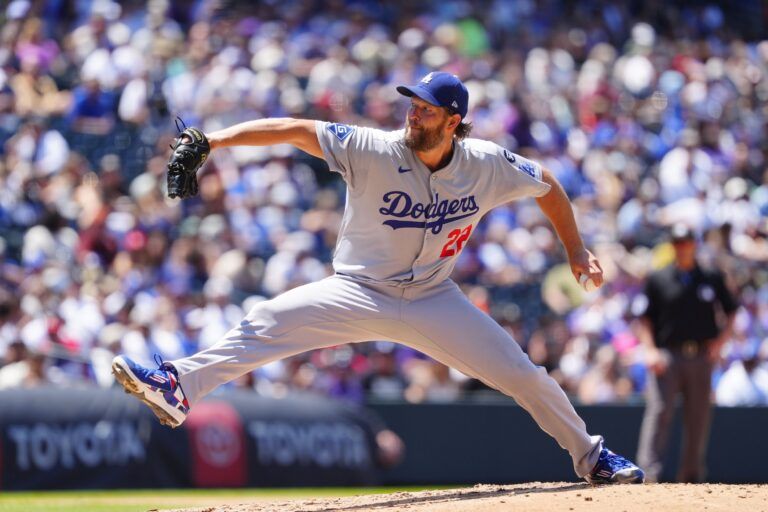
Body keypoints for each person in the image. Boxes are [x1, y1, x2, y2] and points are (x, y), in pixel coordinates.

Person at [112, 72, 644, 484]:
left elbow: (548, 185)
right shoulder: (372, 147)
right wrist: (214, 142)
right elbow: (297, 129)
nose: (413, 115)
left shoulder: (487, 163)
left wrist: (576, 249)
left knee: (524, 376)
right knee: (268, 318)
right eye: (412, 105)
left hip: (435, 297)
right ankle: (179, 385)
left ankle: (593, 457)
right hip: (358, 290)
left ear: (452, 122)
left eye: (426, 109)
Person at [636, 223, 738, 483]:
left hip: (702, 355)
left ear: (694, 244)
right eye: (678, 243)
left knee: (699, 415)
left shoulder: (710, 277)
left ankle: (692, 475)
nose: (683, 247)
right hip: (668, 355)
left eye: (687, 242)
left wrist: (720, 343)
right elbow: (645, 318)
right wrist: (649, 350)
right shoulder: (659, 278)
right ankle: (649, 474)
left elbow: (732, 310)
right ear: (672, 246)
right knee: (660, 412)